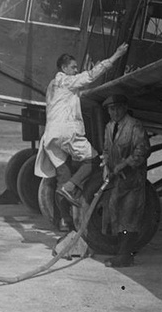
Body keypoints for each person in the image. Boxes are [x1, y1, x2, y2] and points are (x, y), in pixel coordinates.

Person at [34, 42, 129, 231]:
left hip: (50, 137)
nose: (76, 70)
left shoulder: (53, 85)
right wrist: (116, 56)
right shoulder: (67, 81)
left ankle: (64, 220)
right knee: (93, 161)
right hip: (66, 132)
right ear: (63, 68)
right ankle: (70, 189)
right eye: (73, 67)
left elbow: (73, 96)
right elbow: (91, 75)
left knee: (63, 176)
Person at [101, 94, 151, 268]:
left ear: (124, 107)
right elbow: (107, 149)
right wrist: (106, 165)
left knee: (129, 217)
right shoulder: (109, 127)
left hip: (133, 180)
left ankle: (125, 256)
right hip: (117, 181)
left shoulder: (134, 126)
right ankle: (121, 251)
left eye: (117, 108)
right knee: (116, 213)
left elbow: (142, 150)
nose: (114, 112)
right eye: (110, 109)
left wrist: (124, 165)